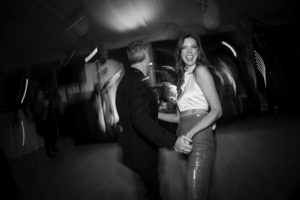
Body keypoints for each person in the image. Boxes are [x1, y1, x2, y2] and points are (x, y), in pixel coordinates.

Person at [116, 39, 193, 200]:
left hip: (131, 151)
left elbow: (135, 115)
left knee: (147, 189)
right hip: (142, 154)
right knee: (153, 193)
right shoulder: (138, 83)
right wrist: (174, 141)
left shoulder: (125, 81)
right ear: (146, 55)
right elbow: (141, 120)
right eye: (149, 52)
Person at [158, 33, 222, 200]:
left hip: (199, 136)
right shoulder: (181, 79)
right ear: (179, 52)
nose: (189, 51)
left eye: (193, 47)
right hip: (185, 137)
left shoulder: (200, 71)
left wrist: (189, 135)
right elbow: (179, 117)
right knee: (200, 190)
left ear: (198, 51)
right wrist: (155, 114)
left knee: (194, 193)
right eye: (184, 48)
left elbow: (216, 110)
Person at [33, 88, 59, 158]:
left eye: (42, 94)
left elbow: (50, 110)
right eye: (40, 94)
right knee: (47, 139)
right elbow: (41, 116)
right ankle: (49, 153)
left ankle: (53, 148)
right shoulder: (38, 104)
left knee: (52, 136)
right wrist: (45, 106)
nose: (41, 95)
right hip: (43, 124)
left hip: (48, 122)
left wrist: (50, 106)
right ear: (37, 96)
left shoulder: (44, 101)